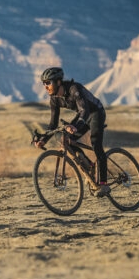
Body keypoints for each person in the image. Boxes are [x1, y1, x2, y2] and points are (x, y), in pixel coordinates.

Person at [34, 67, 110, 197]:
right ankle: (89, 165)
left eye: (48, 82)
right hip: (82, 116)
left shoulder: (74, 89)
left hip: (95, 112)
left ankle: (103, 184)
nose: (45, 86)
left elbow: (84, 111)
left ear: (58, 82)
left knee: (96, 144)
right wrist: (43, 139)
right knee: (65, 139)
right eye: (44, 83)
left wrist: (76, 126)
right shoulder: (54, 99)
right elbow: (53, 124)